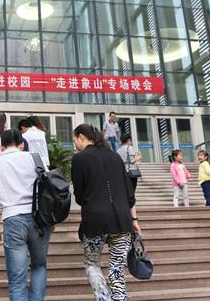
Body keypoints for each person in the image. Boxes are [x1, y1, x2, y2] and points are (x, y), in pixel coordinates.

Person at [71, 124, 140, 301]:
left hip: (95, 221)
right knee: (117, 268)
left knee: (92, 264)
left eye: (74, 140)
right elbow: (129, 194)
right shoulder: (115, 156)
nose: (74, 144)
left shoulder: (79, 159)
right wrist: (134, 219)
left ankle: (104, 299)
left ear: (81, 137)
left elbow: (79, 195)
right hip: (122, 220)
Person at [0, 130, 51, 301]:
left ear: (1, 146)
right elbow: (49, 190)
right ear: (21, 144)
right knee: (39, 266)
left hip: (12, 219)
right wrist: (52, 220)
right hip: (39, 219)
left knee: (16, 279)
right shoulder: (35, 159)